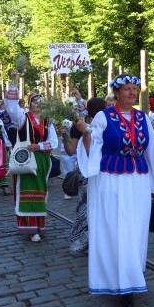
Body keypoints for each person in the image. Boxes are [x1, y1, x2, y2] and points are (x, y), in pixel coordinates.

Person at [76, 74, 154, 307]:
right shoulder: (103, 117)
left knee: (135, 228)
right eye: (127, 89)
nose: (132, 92)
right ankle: (119, 281)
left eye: (135, 89)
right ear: (117, 92)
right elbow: (92, 148)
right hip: (111, 180)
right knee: (116, 228)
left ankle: (132, 275)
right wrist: (85, 132)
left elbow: (152, 152)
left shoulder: (143, 117)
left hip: (138, 180)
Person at [4, 82, 58, 242]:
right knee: (27, 192)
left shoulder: (47, 121)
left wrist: (39, 145)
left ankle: (39, 226)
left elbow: (53, 141)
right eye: (35, 101)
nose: (38, 104)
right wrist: (13, 85)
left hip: (42, 160)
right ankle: (30, 228)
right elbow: (11, 108)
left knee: (40, 193)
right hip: (25, 160)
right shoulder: (23, 117)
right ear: (30, 104)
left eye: (40, 101)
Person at [67, 97, 106, 254]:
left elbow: (70, 150)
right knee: (95, 206)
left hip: (89, 170)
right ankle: (95, 241)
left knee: (85, 207)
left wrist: (64, 137)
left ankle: (84, 241)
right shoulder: (82, 125)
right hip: (95, 171)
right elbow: (71, 150)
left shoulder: (85, 124)